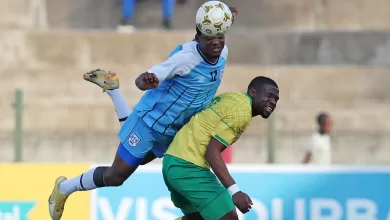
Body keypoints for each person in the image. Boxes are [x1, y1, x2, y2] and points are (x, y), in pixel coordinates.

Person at [48, 7, 239, 220]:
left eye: (220, 36)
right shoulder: (185, 59)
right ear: (197, 36)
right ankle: (64, 187)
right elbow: (146, 77)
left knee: (137, 162)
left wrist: (224, 13)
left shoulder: (223, 52)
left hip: (174, 131)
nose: (216, 42)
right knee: (117, 175)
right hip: (149, 124)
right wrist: (145, 82)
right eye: (210, 37)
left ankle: (112, 89)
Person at [163, 76, 279, 220]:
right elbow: (212, 152)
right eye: (269, 96)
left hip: (173, 161)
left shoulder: (232, 98)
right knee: (228, 217)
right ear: (253, 92)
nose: (273, 102)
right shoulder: (242, 112)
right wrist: (235, 191)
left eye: (276, 99)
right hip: (188, 166)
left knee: (200, 218)